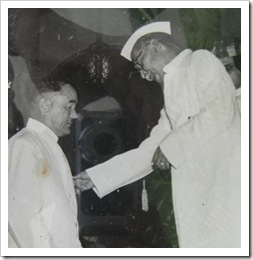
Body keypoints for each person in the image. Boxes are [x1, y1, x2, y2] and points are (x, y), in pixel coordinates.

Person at [74, 22, 241, 248]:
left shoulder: (199, 60)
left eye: (140, 63)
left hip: (224, 195)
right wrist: (98, 176)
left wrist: (172, 146)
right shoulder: (171, 95)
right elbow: (151, 150)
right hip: (200, 201)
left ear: (155, 46)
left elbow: (220, 110)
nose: (144, 75)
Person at [8, 81, 82, 248]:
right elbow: (21, 215)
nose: (75, 115)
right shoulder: (25, 145)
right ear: (44, 106)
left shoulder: (45, 144)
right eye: (68, 107)